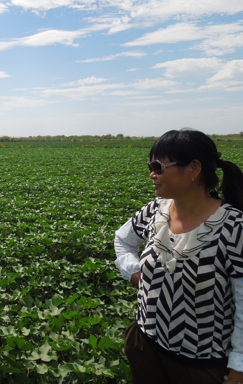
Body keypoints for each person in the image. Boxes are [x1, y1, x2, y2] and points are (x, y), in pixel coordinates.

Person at [114, 129, 243, 384]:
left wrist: (239, 364)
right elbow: (122, 240)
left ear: (194, 169)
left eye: (158, 166)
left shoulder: (234, 227)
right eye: (151, 165)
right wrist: (134, 274)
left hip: (201, 364)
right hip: (145, 344)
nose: (152, 173)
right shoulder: (155, 210)